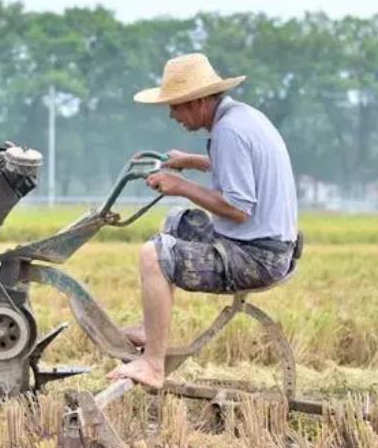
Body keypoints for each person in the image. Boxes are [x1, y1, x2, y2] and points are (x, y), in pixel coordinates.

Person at [107, 53, 298, 389]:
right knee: (177, 221)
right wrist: (188, 161)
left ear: (197, 102)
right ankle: (149, 329)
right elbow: (233, 165)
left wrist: (180, 185)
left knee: (152, 254)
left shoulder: (230, 132)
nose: (171, 114)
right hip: (266, 243)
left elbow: (239, 208)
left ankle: (152, 365)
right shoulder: (240, 119)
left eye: (175, 106)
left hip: (257, 257)